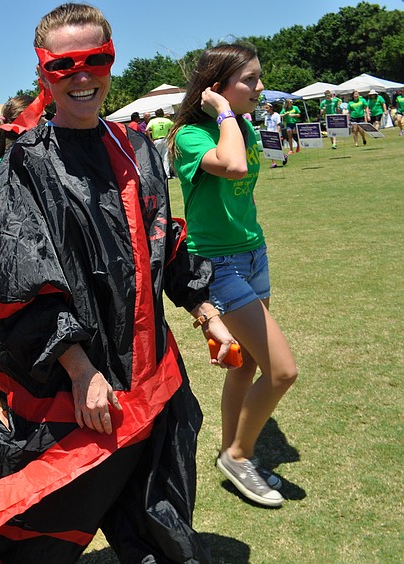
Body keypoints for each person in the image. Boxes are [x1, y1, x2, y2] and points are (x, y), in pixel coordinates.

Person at [0, 5, 235, 562]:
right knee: (35, 543)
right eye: (64, 65)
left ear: (111, 61)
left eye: (95, 60)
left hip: (151, 384)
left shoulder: (138, 147)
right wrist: (82, 371)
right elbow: (20, 280)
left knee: (161, 533)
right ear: (42, 73)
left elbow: (165, 244)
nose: (82, 76)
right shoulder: (25, 165)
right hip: (72, 397)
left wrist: (206, 313)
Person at [168, 42, 298, 509]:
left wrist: (232, 115)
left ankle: (232, 453)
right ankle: (238, 454)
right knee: (283, 371)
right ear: (216, 87)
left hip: (252, 254)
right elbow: (235, 167)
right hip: (217, 263)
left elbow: (245, 190)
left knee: (246, 363)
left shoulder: (242, 126)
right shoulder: (189, 135)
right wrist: (223, 112)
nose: (260, 87)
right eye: (250, 79)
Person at [146, 108, 175, 177]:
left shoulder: (153, 121)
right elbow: (174, 127)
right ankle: (167, 174)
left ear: (156, 115)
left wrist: (150, 139)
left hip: (156, 140)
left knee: (157, 157)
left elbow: (146, 130)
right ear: (163, 114)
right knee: (166, 157)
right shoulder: (167, 120)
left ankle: (159, 174)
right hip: (165, 139)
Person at [262, 103, 286, 168]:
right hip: (269, 133)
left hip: (275, 133)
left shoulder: (276, 115)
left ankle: (284, 156)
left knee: (277, 147)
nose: (266, 110)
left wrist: (278, 133)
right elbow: (266, 125)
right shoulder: (266, 116)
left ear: (271, 108)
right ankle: (274, 163)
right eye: (265, 108)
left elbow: (278, 124)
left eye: (267, 108)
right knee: (270, 148)